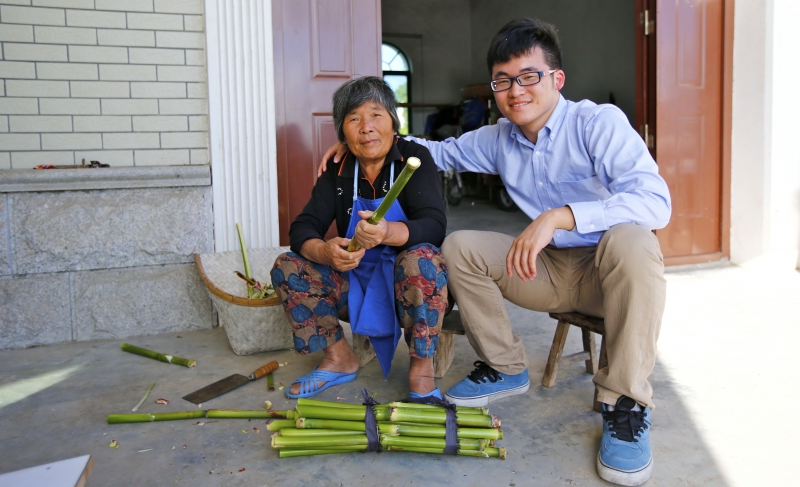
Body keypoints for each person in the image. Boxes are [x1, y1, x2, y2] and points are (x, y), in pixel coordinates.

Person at [319, 18, 671, 487]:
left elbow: (656, 201)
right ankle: (505, 366)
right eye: (503, 81)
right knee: (460, 245)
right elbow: (435, 152)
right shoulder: (498, 137)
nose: (515, 91)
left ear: (556, 79)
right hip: (545, 272)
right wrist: (359, 139)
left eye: (528, 76)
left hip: (611, 274)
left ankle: (625, 404)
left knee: (635, 237)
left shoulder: (596, 123)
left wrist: (559, 215)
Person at [271, 76, 448, 402]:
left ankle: (422, 368)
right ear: (342, 133)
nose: (366, 127)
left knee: (420, 258)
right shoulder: (338, 169)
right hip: (354, 285)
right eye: (354, 119)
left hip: (406, 288)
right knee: (288, 264)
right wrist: (325, 252)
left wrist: (388, 233)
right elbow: (302, 228)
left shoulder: (414, 158)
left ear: (393, 122)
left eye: (376, 115)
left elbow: (435, 225)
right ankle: (339, 358)